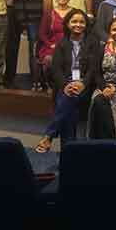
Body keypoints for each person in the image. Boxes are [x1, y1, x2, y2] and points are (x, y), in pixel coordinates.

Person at [35, 9, 97, 153]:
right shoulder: (62, 43)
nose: (78, 25)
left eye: (81, 22)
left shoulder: (92, 43)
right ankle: (68, 154)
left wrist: (82, 84)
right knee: (69, 108)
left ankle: (49, 135)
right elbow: (56, 69)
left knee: (68, 100)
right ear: (68, 24)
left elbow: (93, 69)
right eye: (74, 21)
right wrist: (65, 85)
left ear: (86, 24)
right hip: (65, 85)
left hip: (86, 85)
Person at [14, 0, 45, 91]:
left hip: (47, 20)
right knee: (34, 51)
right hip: (32, 22)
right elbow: (18, 1)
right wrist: (23, 24)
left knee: (47, 50)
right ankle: (35, 81)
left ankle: (46, 80)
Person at [38, 0, 72, 83]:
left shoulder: (74, 13)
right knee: (49, 59)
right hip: (53, 47)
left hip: (71, 46)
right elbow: (42, 34)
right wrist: (50, 45)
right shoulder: (49, 14)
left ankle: (70, 84)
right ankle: (52, 84)